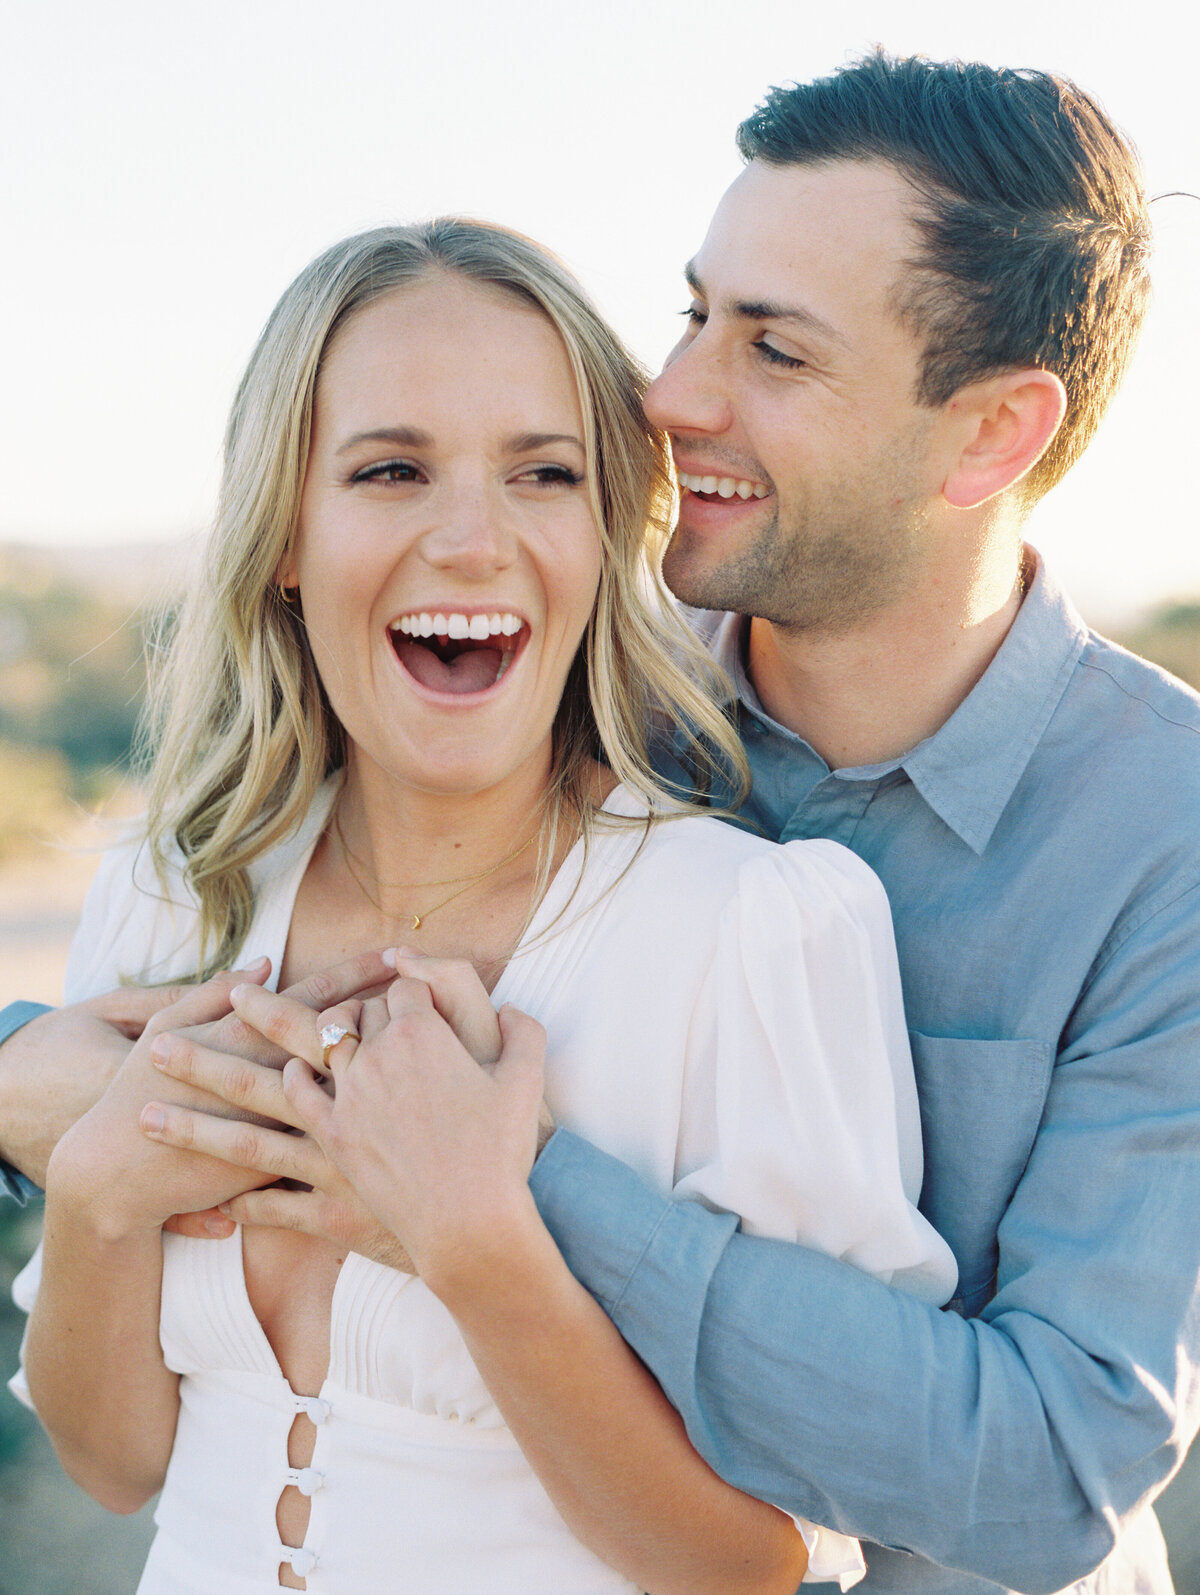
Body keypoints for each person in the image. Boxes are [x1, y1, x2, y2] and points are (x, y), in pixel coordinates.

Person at [3, 49, 1197, 1594]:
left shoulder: (1150, 831)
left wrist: (489, 1192)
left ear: (987, 436)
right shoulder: (547, 695)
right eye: (698, 309)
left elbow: (1047, 1472)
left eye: (774, 348)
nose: (672, 395)